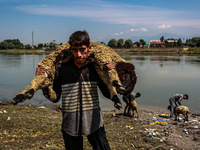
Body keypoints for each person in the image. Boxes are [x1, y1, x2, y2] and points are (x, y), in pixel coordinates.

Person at [36, 30, 121, 150]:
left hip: (94, 122)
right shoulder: (61, 68)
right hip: (70, 124)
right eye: (74, 50)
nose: (79, 54)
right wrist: (43, 84)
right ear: (70, 49)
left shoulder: (95, 67)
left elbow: (107, 93)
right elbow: (55, 98)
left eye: (82, 49)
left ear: (89, 48)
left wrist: (111, 74)